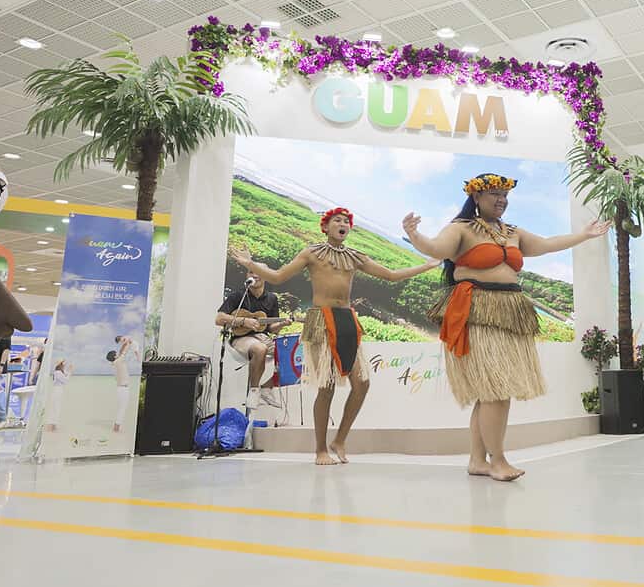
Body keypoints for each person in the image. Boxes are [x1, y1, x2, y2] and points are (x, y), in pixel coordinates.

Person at [402, 173, 609, 481]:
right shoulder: (461, 229)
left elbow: (548, 244)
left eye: (505, 195)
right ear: (476, 197)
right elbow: (436, 249)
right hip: (477, 312)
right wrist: (414, 235)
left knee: (492, 392)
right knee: (496, 389)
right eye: (494, 194)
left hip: (510, 312)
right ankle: (497, 460)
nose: (502, 200)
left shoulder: (512, 232)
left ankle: (477, 460)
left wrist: (584, 235)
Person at [230, 206, 439, 465]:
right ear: (326, 226)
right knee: (326, 387)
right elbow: (278, 276)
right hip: (320, 320)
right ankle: (320, 450)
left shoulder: (354, 256)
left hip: (347, 320)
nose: (343, 224)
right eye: (337, 220)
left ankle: (339, 440)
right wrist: (251, 264)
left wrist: (426, 265)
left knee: (362, 383)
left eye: (346, 222)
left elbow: (392, 276)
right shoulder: (312, 253)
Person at [216, 272, 289, 411]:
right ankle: (254, 391)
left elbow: (271, 328)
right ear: (246, 276)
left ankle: (267, 389)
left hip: (262, 336)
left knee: (287, 351)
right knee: (260, 349)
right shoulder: (238, 296)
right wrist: (243, 321)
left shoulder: (272, 298)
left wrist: (282, 324)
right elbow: (219, 319)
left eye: (259, 272)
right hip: (241, 338)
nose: (254, 274)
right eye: (251, 272)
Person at [110, 336, 140, 433]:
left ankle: (116, 427)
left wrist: (125, 343)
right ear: (115, 357)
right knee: (122, 408)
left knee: (121, 408)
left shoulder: (115, 362)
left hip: (121, 389)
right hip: (123, 389)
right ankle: (116, 428)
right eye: (116, 354)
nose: (117, 354)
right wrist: (127, 343)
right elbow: (123, 352)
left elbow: (120, 353)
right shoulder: (118, 361)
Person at [44, 360, 73, 433]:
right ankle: (52, 426)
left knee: (55, 407)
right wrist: (70, 372)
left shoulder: (58, 372)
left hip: (57, 390)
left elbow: (65, 373)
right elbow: (65, 381)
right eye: (63, 365)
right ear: (61, 366)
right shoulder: (58, 373)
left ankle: (53, 425)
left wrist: (69, 370)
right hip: (57, 390)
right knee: (55, 407)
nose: (64, 366)